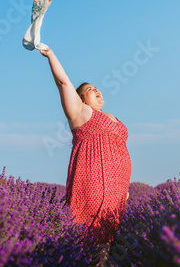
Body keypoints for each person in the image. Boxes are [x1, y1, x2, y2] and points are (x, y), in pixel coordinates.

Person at [39, 47, 132, 253]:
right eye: (90, 90)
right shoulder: (80, 113)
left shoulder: (111, 116)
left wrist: (124, 188)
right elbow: (63, 82)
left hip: (118, 187)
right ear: (79, 99)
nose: (96, 90)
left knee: (109, 238)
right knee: (95, 235)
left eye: (97, 88)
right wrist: (50, 55)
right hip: (95, 180)